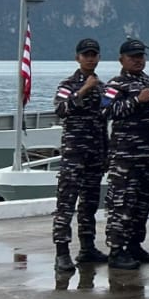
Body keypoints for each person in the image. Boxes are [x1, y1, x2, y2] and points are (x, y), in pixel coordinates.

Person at [100, 39, 149, 270]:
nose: (138, 60)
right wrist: (137, 100)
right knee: (122, 202)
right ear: (121, 60)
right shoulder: (116, 84)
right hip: (125, 155)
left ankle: (135, 244)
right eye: (133, 56)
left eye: (141, 56)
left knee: (142, 202)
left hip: (148, 153)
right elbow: (105, 110)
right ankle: (117, 250)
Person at [52, 38, 108, 271]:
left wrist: (106, 152)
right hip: (74, 154)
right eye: (86, 55)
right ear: (78, 58)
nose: (90, 58)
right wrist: (84, 90)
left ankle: (87, 248)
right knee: (66, 204)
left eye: (94, 54)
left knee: (89, 204)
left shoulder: (103, 86)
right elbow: (61, 110)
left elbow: (104, 120)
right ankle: (62, 253)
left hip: (95, 153)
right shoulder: (68, 84)